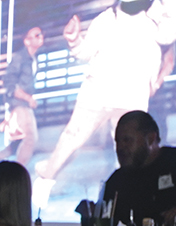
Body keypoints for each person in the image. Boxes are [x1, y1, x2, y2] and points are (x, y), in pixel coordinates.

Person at [33, 0, 176, 207]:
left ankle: (128, 201)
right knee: (71, 138)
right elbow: (84, 52)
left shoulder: (157, 17)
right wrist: (74, 40)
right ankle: (45, 181)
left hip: (131, 97)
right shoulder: (105, 19)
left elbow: (169, 33)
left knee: (131, 152)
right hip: (96, 92)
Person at [104, 110, 176, 226]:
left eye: (127, 140)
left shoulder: (172, 161)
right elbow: (105, 224)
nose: (120, 147)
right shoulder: (119, 180)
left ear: (151, 138)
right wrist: (89, 214)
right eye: (117, 142)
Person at [0, 26, 44, 170]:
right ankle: (17, 172)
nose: (41, 36)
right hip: (19, 104)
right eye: (36, 35)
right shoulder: (20, 58)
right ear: (27, 41)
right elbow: (9, 83)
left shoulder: (33, 59)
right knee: (30, 138)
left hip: (23, 104)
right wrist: (28, 98)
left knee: (20, 140)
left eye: (41, 34)